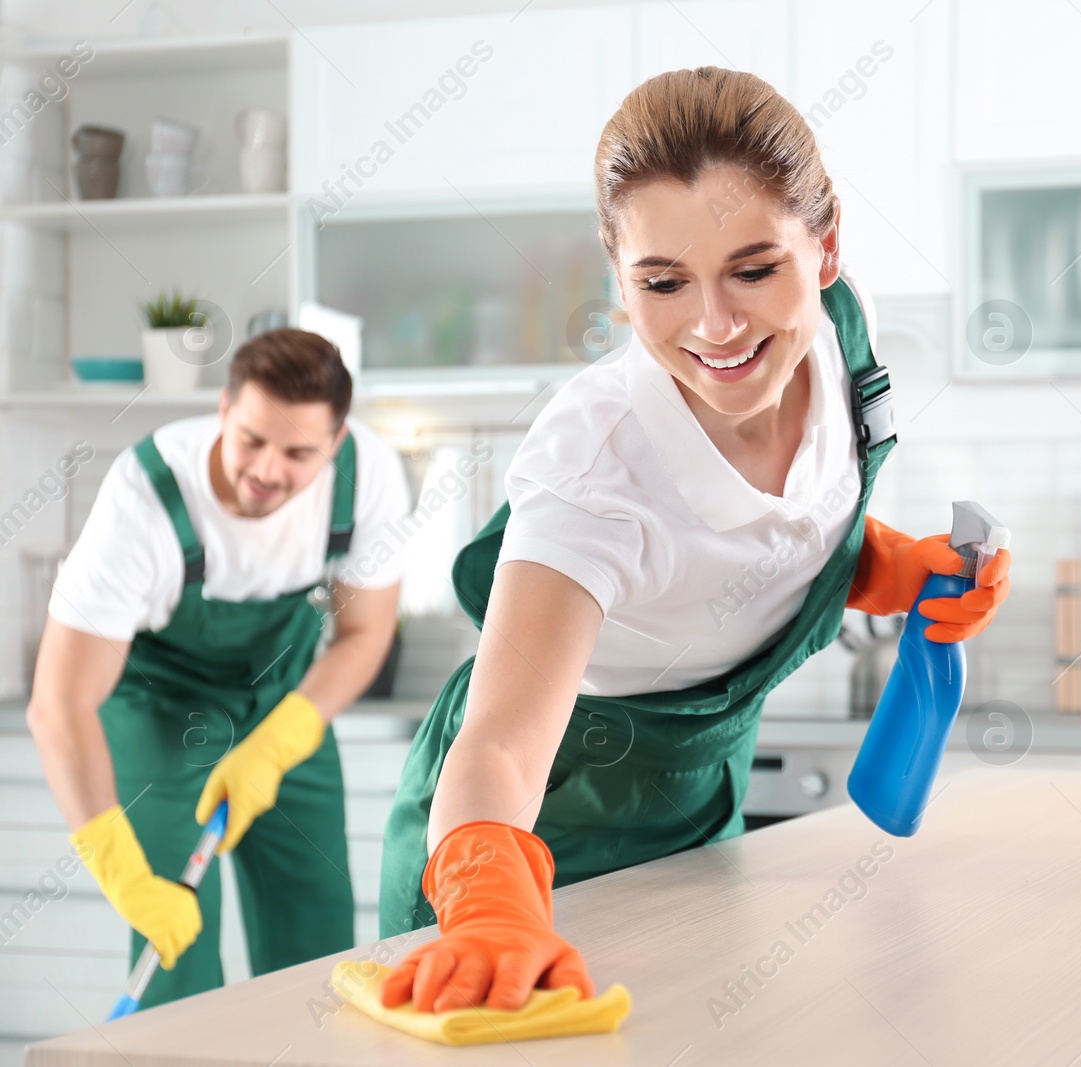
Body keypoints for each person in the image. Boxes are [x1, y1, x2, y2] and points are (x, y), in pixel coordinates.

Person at [376, 67, 1013, 1015]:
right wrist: (486, 908)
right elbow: (502, 748)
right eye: (663, 282)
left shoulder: (842, 334)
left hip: (699, 809)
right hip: (533, 826)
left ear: (827, 247)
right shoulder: (596, 459)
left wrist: (882, 567)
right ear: (618, 278)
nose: (716, 326)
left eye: (755, 270)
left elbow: (774, 535)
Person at [27, 328, 412, 1007]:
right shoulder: (144, 498)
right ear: (225, 410)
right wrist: (123, 875)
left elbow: (363, 634)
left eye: (298, 453)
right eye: (252, 440)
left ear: (337, 441)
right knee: (173, 945)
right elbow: (59, 703)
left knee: (317, 927)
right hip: (160, 706)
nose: (267, 469)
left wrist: (279, 743)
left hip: (285, 698)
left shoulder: (369, 477)